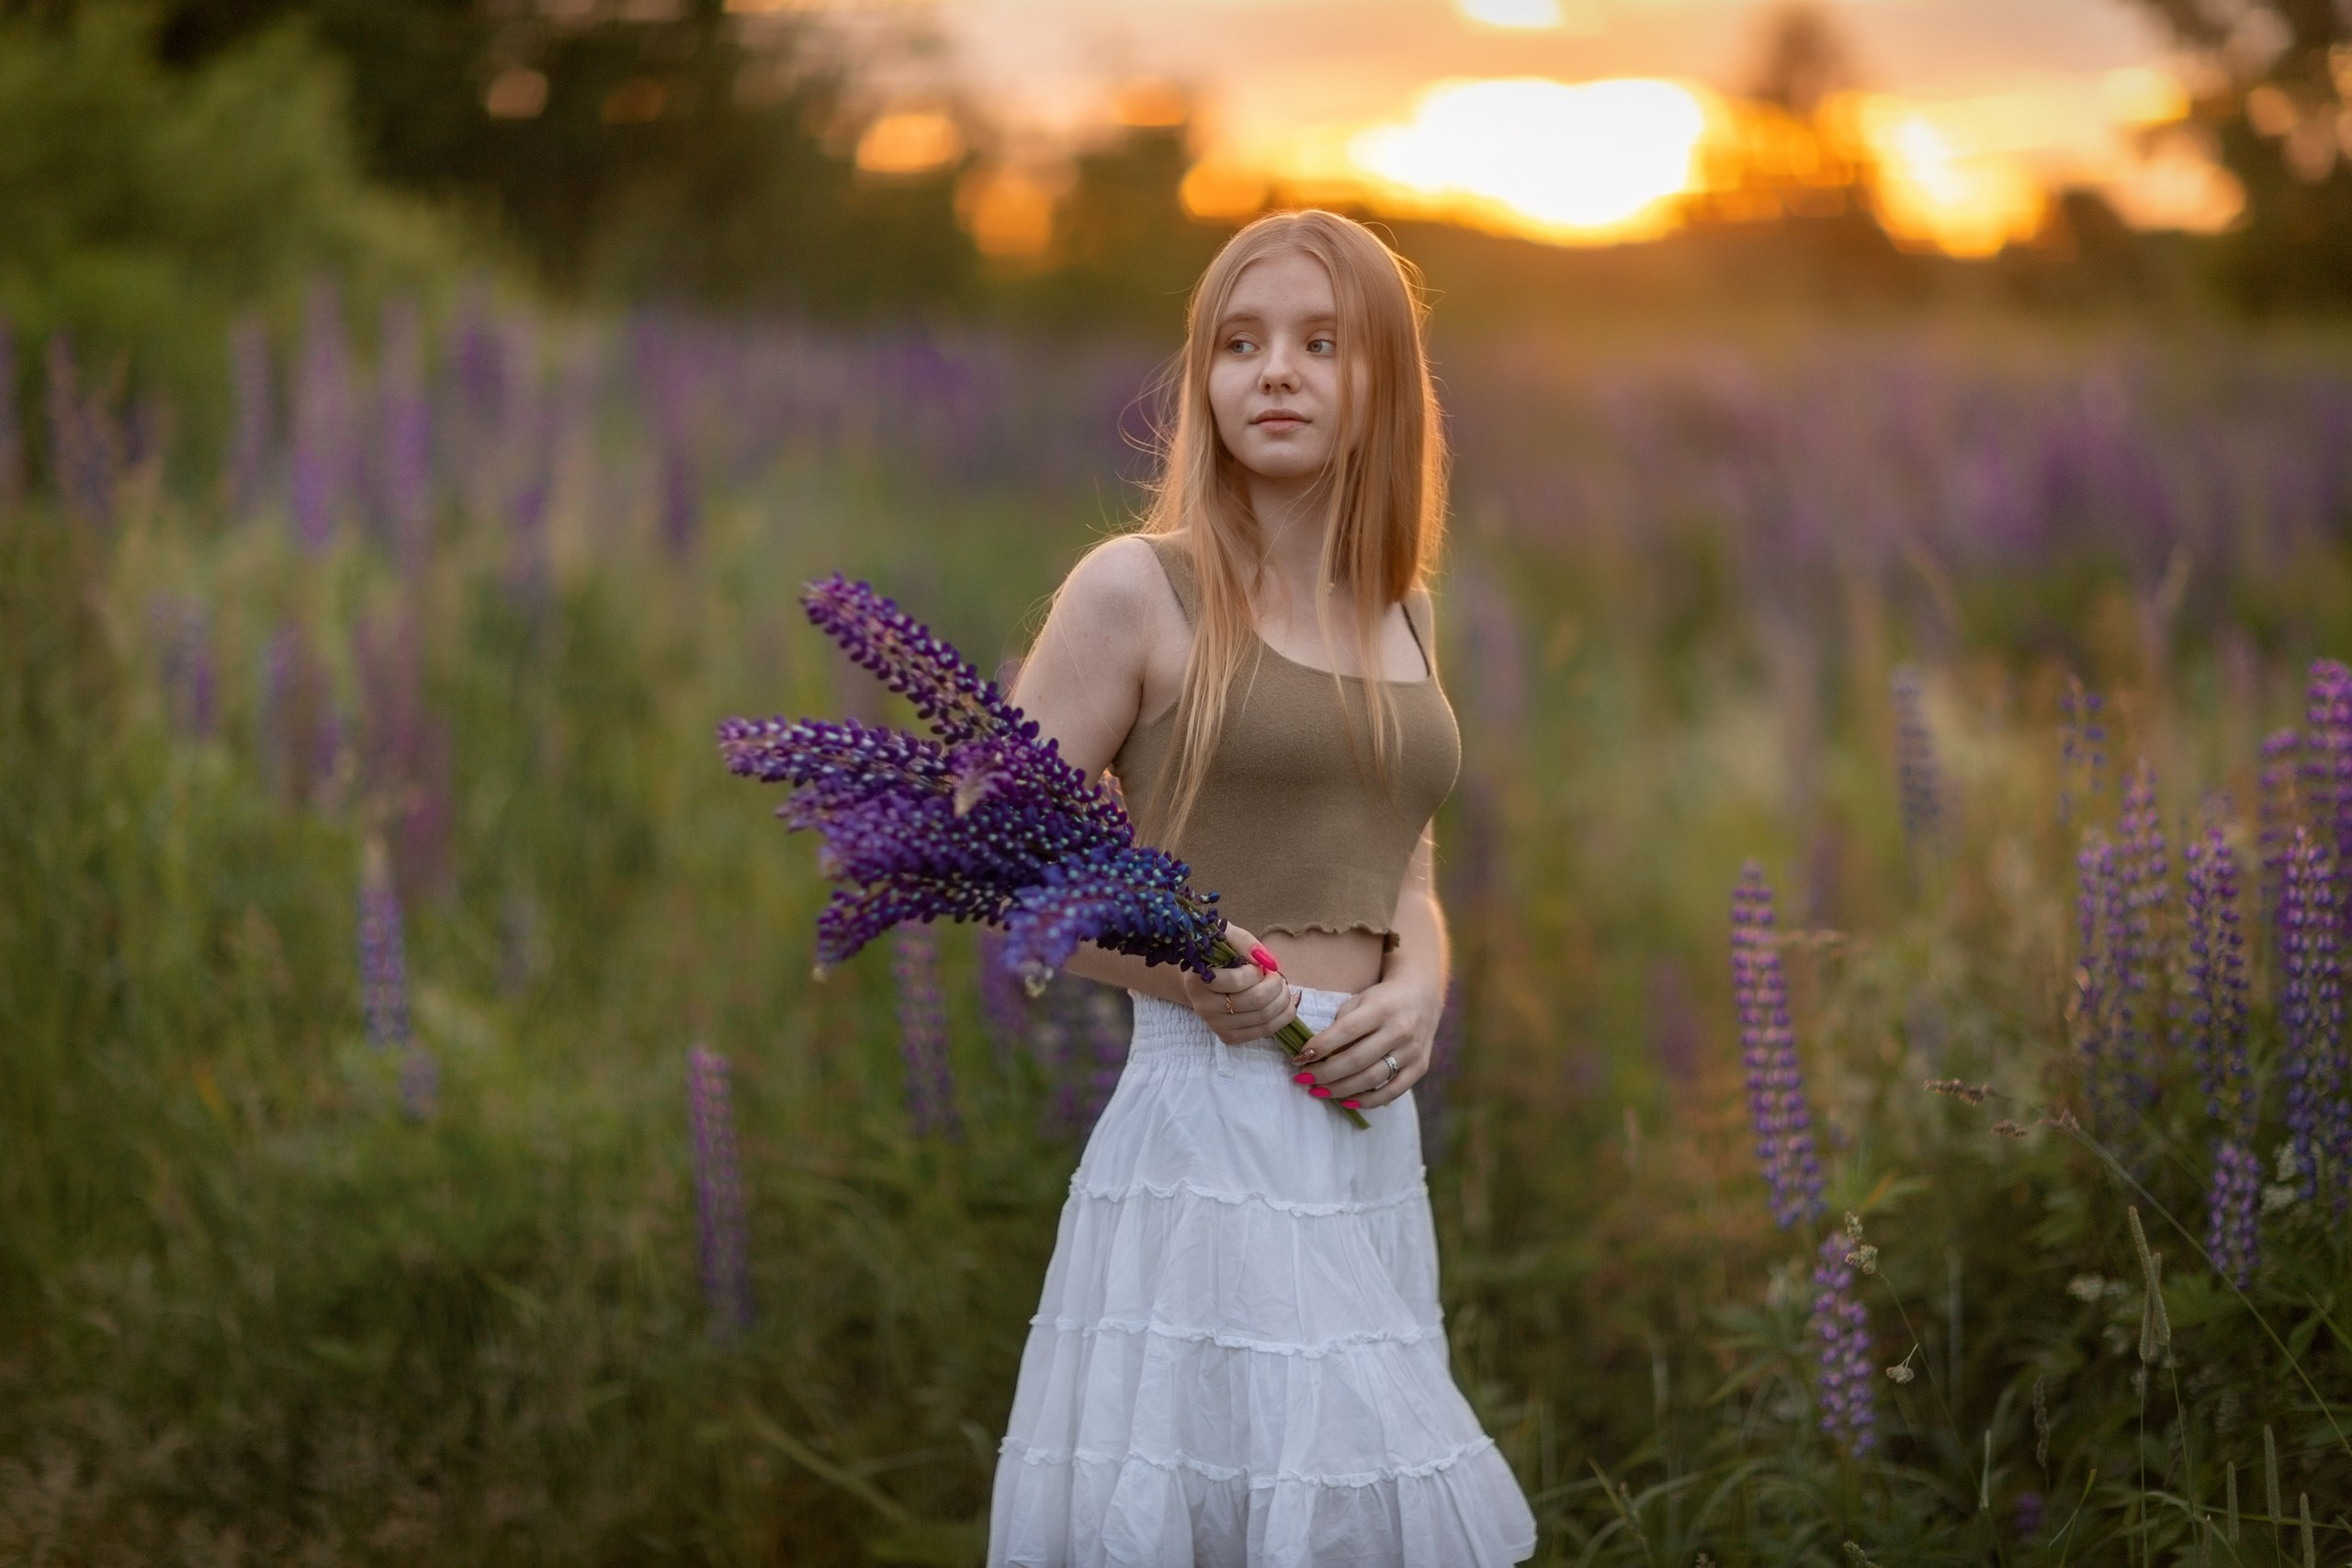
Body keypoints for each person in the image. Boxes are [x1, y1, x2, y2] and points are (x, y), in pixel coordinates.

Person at [988, 209, 1539, 1567]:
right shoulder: (1140, 590)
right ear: (1204, 379)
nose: (1274, 372)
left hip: (1359, 1127)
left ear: (1384, 387)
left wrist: (1424, 983)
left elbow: (1398, 859)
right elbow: (1003, 856)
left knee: (1340, 1518)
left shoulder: (1398, 606)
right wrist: (1185, 976)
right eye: (1240, 344)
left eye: (1318, 343)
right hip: (1209, 1124)